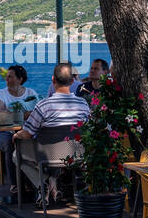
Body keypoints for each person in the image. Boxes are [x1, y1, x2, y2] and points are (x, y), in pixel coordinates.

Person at [13, 62, 90, 207]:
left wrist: (16, 136)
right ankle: (51, 181)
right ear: (73, 81)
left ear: (53, 79)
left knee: (15, 156)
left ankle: (43, 183)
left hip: (47, 156)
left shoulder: (43, 106)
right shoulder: (83, 105)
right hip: (76, 155)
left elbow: (28, 133)